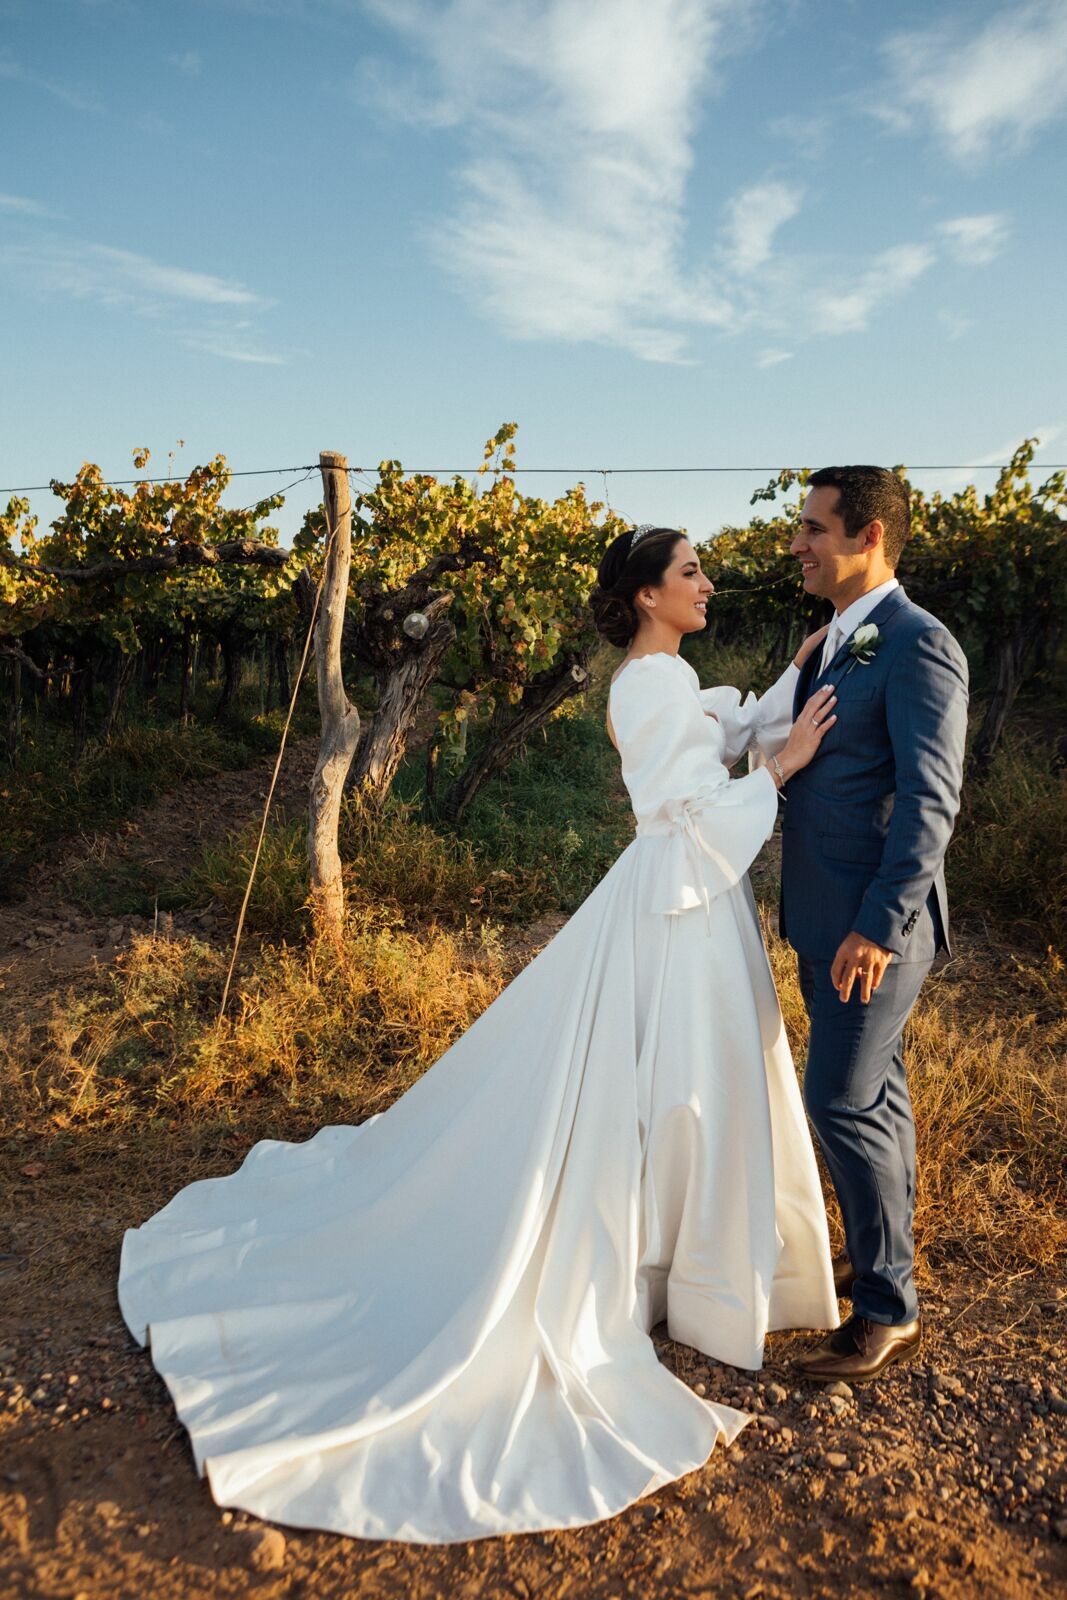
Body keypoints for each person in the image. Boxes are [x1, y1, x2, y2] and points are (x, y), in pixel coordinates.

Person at [117, 525, 842, 1545]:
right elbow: (684, 805)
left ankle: (687, 1267)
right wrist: (779, 769)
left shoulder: (666, 679)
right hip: (676, 899)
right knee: (676, 1083)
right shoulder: (644, 685)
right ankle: (684, 1274)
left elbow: (710, 740)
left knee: (683, 1084)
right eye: (688, 572)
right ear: (644, 596)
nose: (705, 582)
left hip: (686, 900)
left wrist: (780, 694)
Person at [782, 467, 969, 1383]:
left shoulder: (916, 644)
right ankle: (879, 1248)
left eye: (814, 528)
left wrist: (880, 926)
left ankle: (888, 1308)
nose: (797, 544)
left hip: (870, 927)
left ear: (868, 538)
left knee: (839, 1099)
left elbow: (930, 803)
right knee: (874, 1092)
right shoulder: (843, 641)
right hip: (825, 914)